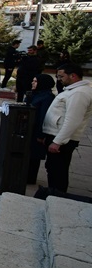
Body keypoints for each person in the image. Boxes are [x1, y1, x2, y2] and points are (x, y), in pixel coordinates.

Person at [42, 63, 92, 192]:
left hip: (62, 139)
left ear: (73, 76)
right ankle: (53, 192)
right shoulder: (73, 90)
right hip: (56, 134)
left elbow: (72, 120)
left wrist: (58, 142)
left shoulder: (79, 93)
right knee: (53, 168)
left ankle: (56, 195)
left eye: (61, 76)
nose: (59, 79)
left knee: (57, 170)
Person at [25, 74, 55, 185]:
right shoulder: (34, 94)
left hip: (37, 129)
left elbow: (43, 116)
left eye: (35, 81)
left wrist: (41, 135)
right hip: (30, 128)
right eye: (33, 80)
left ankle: (30, 177)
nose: (32, 83)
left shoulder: (47, 97)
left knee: (34, 155)